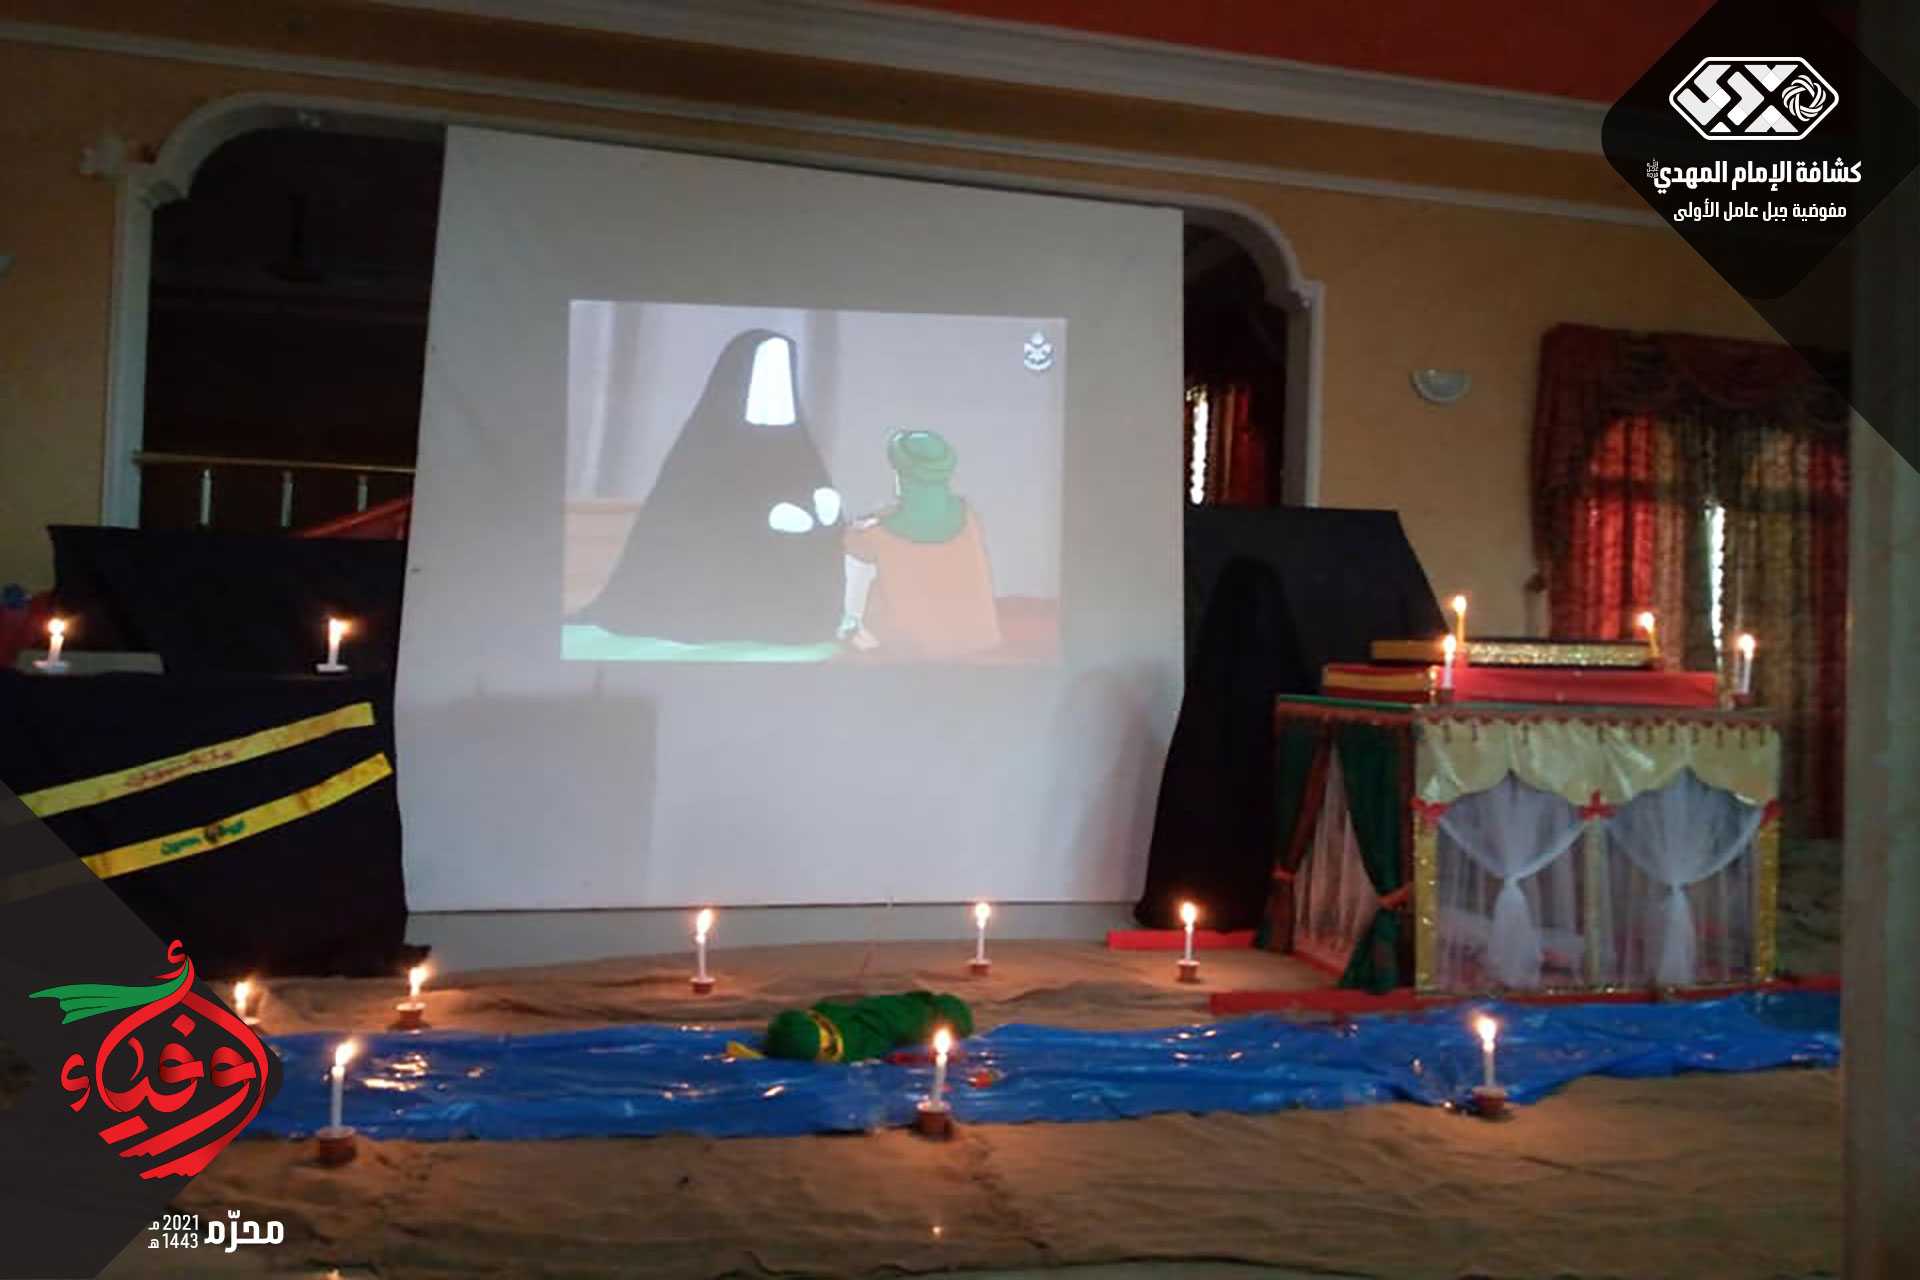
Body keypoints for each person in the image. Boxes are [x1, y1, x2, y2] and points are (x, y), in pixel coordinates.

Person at [839, 430, 1001, 660]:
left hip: (912, 649)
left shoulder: (870, 537)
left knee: (852, 616)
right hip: (977, 641)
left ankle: (852, 626)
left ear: (901, 476)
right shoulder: (968, 515)